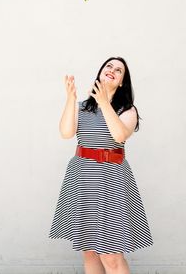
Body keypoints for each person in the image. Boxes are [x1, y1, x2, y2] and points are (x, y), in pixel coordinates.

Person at [49, 56, 154, 274]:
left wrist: (105, 102)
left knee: (111, 255)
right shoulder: (82, 107)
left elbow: (118, 135)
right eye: (109, 66)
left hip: (112, 181)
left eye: (119, 70)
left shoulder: (128, 111)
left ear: (122, 82)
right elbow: (66, 132)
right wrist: (70, 98)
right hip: (82, 179)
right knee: (89, 251)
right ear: (100, 72)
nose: (112, 70)